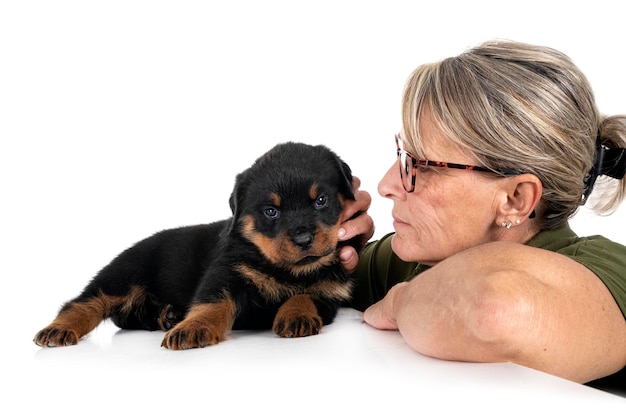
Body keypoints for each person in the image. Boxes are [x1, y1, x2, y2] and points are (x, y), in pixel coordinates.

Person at [336, 40, 626, 388]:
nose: (386, 185)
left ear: (516, 199)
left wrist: (399, 302)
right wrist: (319, 252)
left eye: (422, 166)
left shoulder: (611, 271)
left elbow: (496, 311)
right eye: (402, 156)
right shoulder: (417, 257)